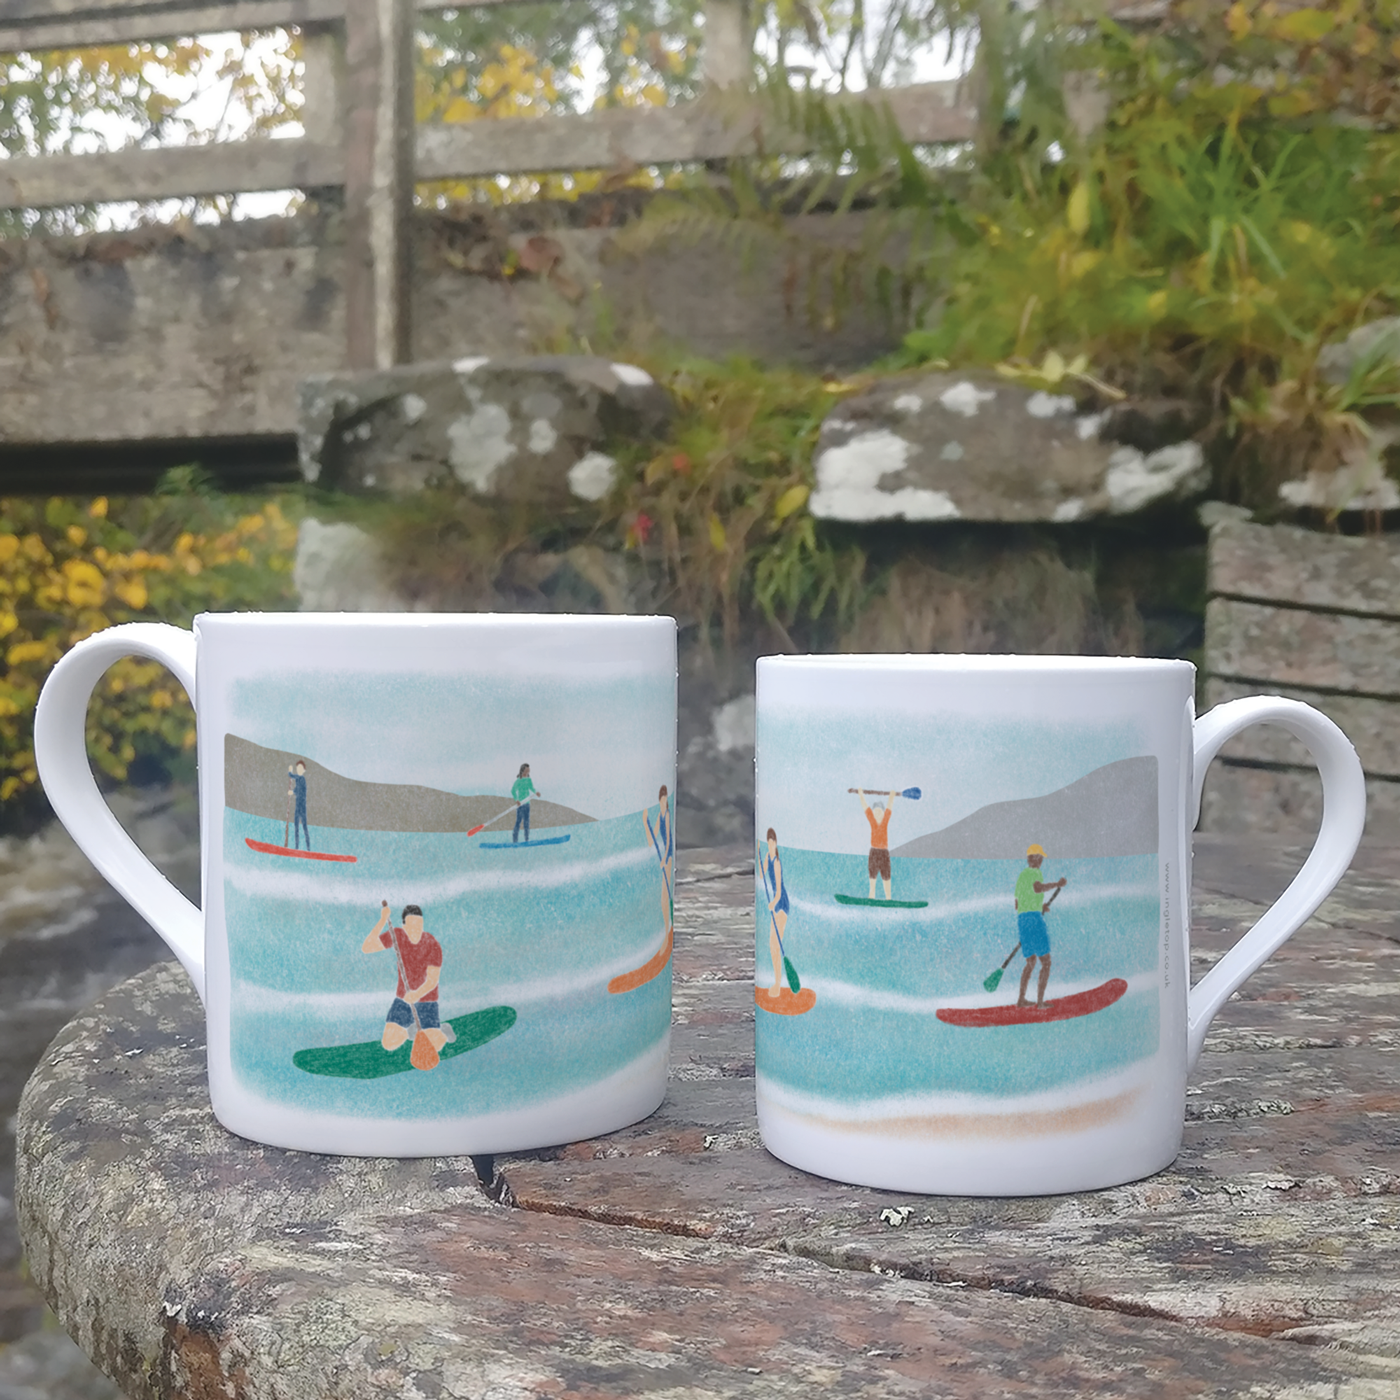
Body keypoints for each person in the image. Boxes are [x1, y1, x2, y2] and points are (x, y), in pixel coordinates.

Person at [362, 901, 455, 1052]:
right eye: (412, 925)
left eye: (419, 924)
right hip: (403, 999)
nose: (416, 929)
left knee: (432, 1048)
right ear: (404, 926)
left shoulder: (432, 944)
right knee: (389, 1043)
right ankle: (411, 1032)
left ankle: (442, 1032)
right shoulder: (397, 935)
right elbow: (367, 947)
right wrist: (382, 920)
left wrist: (417, 994)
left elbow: (432, 981)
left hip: (426, 999)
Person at [1014, 844, 1066, 1009]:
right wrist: (1057, 884)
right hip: (1034, 920)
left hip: (1022, 920)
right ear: (1035, 859)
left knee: (1030, 962)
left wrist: (1039, 905)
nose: (1042, 860)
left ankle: (1021, 1000)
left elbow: (1018, 903)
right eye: (1040, 857)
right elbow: (1037, 888)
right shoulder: (1036, 872)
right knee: (1046, 962)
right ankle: (1040, 1003)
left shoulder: (1022, 875)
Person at [642, 784, 674, 936]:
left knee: (664, 896)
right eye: (661, 800)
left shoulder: (667, 815)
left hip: (667, 856)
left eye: (665, 800)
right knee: (663, 898)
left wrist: (666, 857)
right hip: (664, 856)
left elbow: (668, 839)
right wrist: (645, 823)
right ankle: (666, 929)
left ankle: (667, 930)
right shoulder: (659, 816)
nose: (663, 803)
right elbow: (651, 840)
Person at [856, 789, 899, 900]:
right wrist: (860, 794)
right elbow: (865, 806)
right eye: (875, 812)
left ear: (883, 813)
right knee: (872, 876)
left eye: (879, 812)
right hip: (874, 852)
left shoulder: (885, 820)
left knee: (886, 876)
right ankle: (871, 896)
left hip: (884, 853)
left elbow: (889, 806)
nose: (877, 814)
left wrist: (892, 796)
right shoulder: (872, 821)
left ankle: (888, 897)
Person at [761, 827, 789, 994]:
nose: (770, 845)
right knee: (772, 945)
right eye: (768, 843)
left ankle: (778, 984)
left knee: (776, 944)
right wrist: (761, 856)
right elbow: (761, 874)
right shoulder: (768, 857)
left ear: (775, 843)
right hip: (775, 902)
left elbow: (779, 890)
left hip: (782, 903)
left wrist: (773, 903)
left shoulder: (777, 863)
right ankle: (776, 982)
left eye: (772, 843)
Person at [511, 763, 539, 844]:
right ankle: (514, 841)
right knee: (518, 822)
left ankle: (527, 840)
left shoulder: (529, 780)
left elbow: (531, 788)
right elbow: (513, 790)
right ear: (524, 769)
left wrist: (536, 792)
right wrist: (516, 800)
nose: (529, 770)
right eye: (527, 769)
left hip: (527, 804)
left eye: (529, 769)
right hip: (520, 805)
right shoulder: (518, 780)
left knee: (527, 823)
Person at [287, 759, 311, 851]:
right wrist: (290, 771)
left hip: (302, 808)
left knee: (304, 827)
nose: (299, 770)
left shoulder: (302, 779)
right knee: (296, 827)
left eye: (300, 768)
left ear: (304, 770)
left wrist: (292, 792)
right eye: (297, 768)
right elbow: (291, 775)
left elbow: (299, 791)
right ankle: (296, 848)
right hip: (297, 808)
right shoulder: (297, 777)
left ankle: (308, 849)